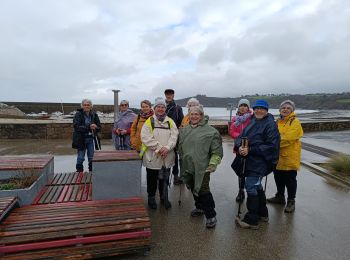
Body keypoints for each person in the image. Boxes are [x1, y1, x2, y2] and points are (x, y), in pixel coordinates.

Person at [234, 99, 280, 229]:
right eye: (257, 108)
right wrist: (240, 147)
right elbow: (240, 137)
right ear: (253, 109)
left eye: (262, 108)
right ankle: (263, 213)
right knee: (257, 185)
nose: (259, 110)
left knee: (251, 186)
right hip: (250, 160)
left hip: (261, 162)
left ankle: (252, 219)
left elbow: (271, 146)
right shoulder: (253, 121)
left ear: (267, 110)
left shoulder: (270, 124)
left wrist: (250, 150)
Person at [178, 105, 223, 228]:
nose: (194, 116)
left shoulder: (211, 131)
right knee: (193, 186)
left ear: (201, 115)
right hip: (188, 165)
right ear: (188, 116)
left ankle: (211, 215)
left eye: (196, 114)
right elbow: (179, 146)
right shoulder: (185, 130)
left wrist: (213, 163)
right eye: (191, 114)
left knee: (203, 190)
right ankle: (199, 207)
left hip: (203, 167)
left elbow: (217, 151)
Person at [141, 97, 179, 210]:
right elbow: (145, 138)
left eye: (163, 107)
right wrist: (159, 148)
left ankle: (164, 197)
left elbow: (174, 136)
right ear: (155, 108)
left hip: (167, 156)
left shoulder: (170, 122)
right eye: (158, 107)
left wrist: (167, 147)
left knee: (165, 178)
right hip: (152, 157)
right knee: (152, 179)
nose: (161, 109)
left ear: (165, 109)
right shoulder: (149, 121)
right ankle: (151, 198)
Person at [267, 100, 303, 213]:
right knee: (278, 177)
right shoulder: (277, 122)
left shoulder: (295, 122)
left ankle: (291, 201)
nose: (285, 109)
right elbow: (271, 135)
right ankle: (280, 197)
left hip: (290, 157)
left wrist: (273, 143)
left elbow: (289, 138)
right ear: (280, 110)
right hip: (277, 156)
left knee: (290, 180)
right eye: (283, 108)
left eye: (288, 108)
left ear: (292, 110)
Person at [229, 99, 252, 203]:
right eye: (241, 106)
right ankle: (241, 191)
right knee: (240, 170)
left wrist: (247, 139)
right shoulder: (235, 119)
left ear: (248, 107)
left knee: (250, 170)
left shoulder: (252, 118)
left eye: (245, 105)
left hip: (250, 148)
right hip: (239, 147)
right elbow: (232, 131)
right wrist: (241, 138)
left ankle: (251, 191)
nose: (243, 107)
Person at [72, 99, 101, 173]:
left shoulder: (94, 114)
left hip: (91, 139)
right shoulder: (78, 114)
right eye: (85, 105)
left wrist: (96, 127)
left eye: (88, 105)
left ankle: (91, 173)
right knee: (80, 158)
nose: (86, 106)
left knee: (91, 157)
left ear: (91, 106)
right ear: (82, 106)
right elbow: (76, 126)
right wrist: (89, 127)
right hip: (81, 139)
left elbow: (99, 127)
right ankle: (79, 174)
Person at [164, 89, 184, 185]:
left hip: (174, 135)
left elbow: (181, 122)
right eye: (167, 94)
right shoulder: (161, 106)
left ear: (173, 95)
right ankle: (163, 176)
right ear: (165, 95)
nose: (169, 95)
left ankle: (176, 177)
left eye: (170, 94)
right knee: (163, 154)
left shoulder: (177, 108)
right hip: (162, 135)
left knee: (175, 156)